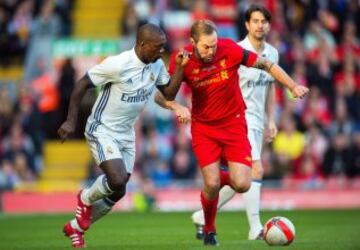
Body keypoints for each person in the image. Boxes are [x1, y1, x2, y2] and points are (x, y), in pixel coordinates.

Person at [154, 19, 308, 246]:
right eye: (206, 46)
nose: (211, 51)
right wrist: (176, 103)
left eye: (214, 45)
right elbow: (162, 95)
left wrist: (292, 85)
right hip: (204, 129)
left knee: (243, 184)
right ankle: (209, 229)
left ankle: (217, 179)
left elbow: (266, 64)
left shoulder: (229, 49)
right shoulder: (183, 57)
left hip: (234, 125)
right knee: (213, 183)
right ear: (193, 42)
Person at [58, 23, 189, 248]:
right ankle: (85, 198)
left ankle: (76, 228)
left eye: (163, 47)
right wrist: (71, 120)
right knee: (117, 179)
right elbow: (82, 84)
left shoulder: (156, 65)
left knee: (119, 190)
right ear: (142, 45)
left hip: (126, 133)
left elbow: (168, 93)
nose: (161, 51)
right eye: (157, 47)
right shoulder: (118, 64)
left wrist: (180, 68)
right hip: (102, 129)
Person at [190, 5, 281, 241]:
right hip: (239, 117)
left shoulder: (272, 53)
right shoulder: (233, 50)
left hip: (259, 119)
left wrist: (271, 118)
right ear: (247, 25)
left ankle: (204, 213)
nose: (260, 25)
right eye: (256, 21)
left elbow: (270, 87)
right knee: (256, 169)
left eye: (264, 21)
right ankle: (255, 227)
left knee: (243, 178)